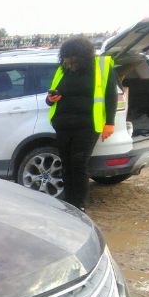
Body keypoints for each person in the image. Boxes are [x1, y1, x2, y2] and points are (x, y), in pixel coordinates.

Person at [45, 36, 117, 210]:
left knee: (79, 164)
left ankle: (80, 205)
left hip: (87, 125)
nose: (70, 60)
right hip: (63, 125)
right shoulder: (63, 70)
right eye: (66, 57)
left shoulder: (101, 66)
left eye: (73, 56)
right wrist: (50, 99)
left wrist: (110, 123)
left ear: (83, 55)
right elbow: (50, 98)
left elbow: (111, 96)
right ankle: (69, 203)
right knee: (66, 164)